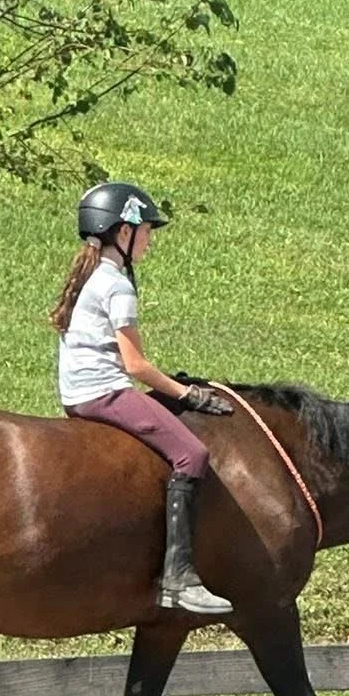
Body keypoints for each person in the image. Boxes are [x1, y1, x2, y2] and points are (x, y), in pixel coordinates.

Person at [51, 181, 235, 619]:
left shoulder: (91, 277)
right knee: (192, 453)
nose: (150, 239)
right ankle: (178, 578)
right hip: (104, 393)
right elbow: (135, 365)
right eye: (145, 230)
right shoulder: (116, 286)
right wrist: (187, 393)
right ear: (122, 232)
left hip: (78, 393)